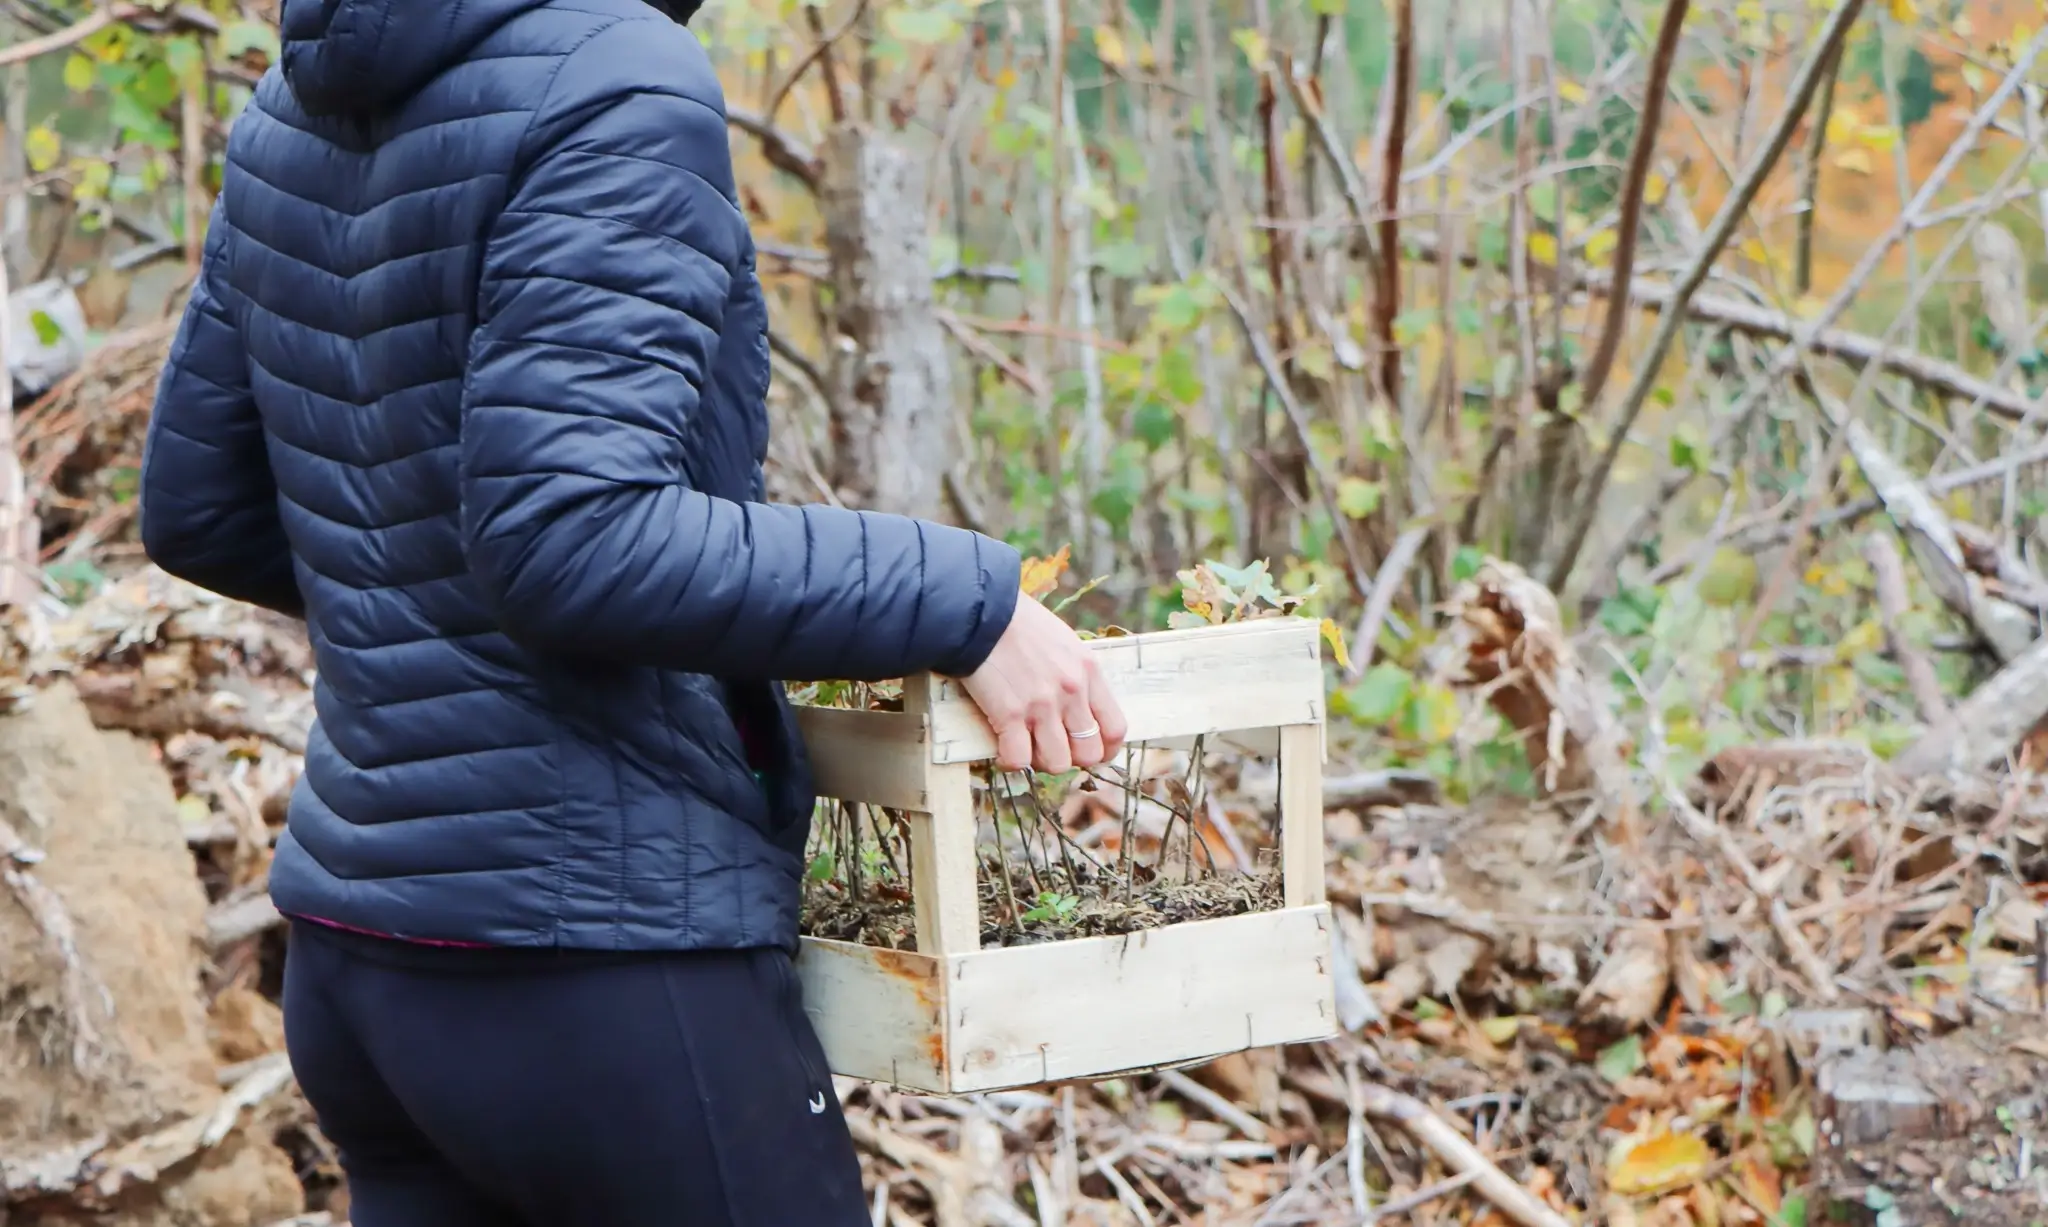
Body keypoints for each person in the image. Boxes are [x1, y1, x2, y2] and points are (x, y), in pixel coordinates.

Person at [136, 0, 1128, 1223]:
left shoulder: (290, 105)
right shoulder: (618, 77)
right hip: (596, 968)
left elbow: (201, 508)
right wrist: (966, 599)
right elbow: (576, 537)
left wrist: (428, 606)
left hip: (363, 962)